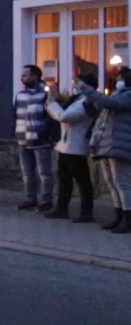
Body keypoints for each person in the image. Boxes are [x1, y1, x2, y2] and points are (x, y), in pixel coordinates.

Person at [78, 66, 131, 233]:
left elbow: (111, 104)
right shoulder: (117, 94)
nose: (117, 80)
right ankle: (119, 214)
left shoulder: (128, 96)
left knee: (122, 183)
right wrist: (88, 98)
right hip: (107, 143)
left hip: (121, 144)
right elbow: (97, 110)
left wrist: (88, 90)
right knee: (111, 182)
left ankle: (128, 218)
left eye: (120, 77)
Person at [43, 74, 97, 222]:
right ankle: (62, 208)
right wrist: (53, 101)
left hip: (76, 146)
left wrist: (52, 103)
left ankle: (86, 211)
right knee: (64, 179)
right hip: (65, 145)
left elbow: (65, 117)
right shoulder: (77, 100)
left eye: (77, 82)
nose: (74, 84)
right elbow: (61, 115)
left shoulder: (87, 102)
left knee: (82, 180)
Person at [14, 65, 55, 212]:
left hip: (40, 140)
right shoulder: (20, 95)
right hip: (23, 139)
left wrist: (44, 133)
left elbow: (52, 117)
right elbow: (15, 114)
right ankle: (30, 198)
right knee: (27, 171)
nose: (22, 78)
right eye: (22, 75)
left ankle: (47, 200)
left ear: (35, 77)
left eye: (25, 75)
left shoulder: (45, 95)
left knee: (44, 172)